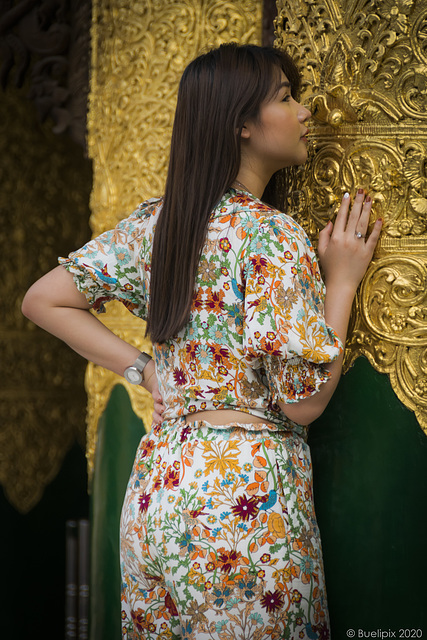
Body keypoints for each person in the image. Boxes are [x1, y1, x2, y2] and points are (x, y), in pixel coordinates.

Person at [22, 43, 381, 640]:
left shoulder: (157, 225)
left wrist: (143, 369)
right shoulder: (270, 233)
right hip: (240, 500)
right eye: (286, 98)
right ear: (242, 124)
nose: (306, 111)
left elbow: (42, 299)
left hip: (157, 490)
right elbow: (303, 401)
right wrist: (340, 282)